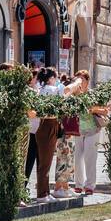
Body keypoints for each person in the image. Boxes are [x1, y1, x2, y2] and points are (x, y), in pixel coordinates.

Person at [32, 67, 63, 200]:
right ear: (51, 78)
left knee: (45, 162)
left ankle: (45, 191)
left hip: (43, 126)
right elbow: (62, 99)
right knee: (45, 162)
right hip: (49, 125)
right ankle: (42, 193)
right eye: (55, 78)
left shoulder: (40, 90)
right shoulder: (52, 90)